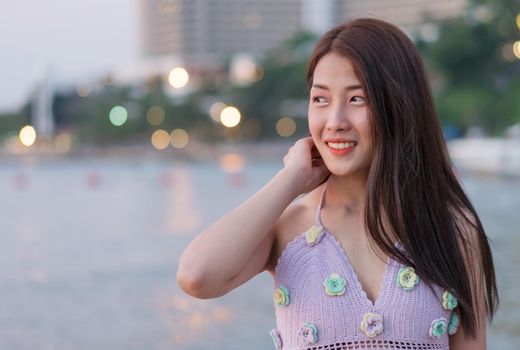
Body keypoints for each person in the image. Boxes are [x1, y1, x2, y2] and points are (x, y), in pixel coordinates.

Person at [177, 18, 498, 350]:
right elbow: (197, 276)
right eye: (321, 99)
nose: (335, 122)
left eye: (357, 99)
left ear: (400, 105)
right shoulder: (289, 227)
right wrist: (290, 179)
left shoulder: (450, 228)